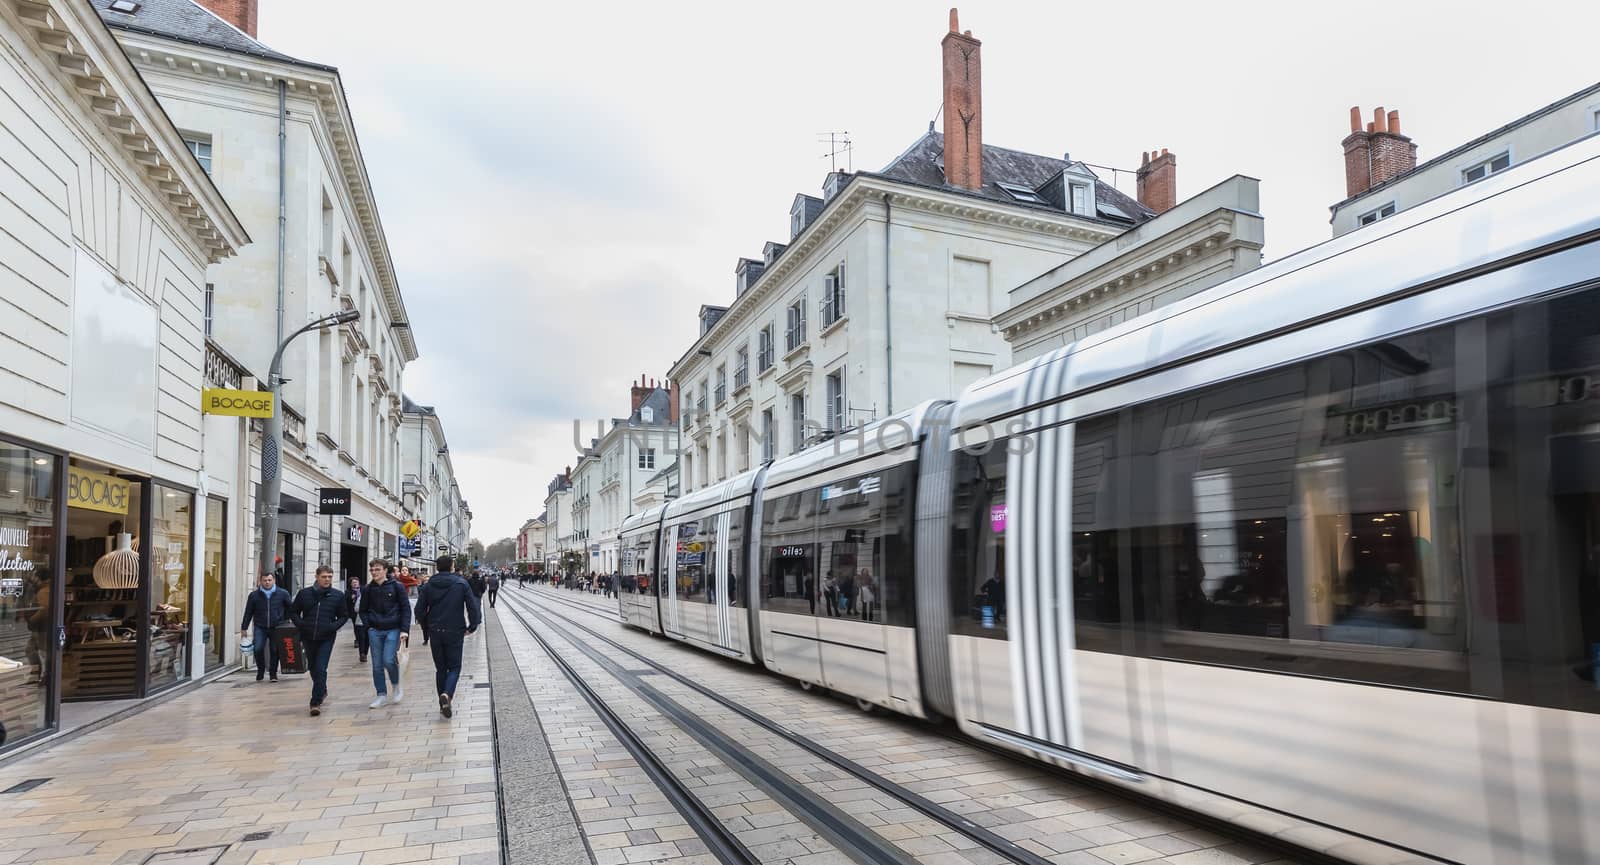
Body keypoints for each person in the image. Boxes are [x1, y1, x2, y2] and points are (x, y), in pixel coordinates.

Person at [415, 554, 481, 718]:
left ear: (437, 568)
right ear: (452, 566)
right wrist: (472, 626)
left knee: (441, 669)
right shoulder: (461, 583)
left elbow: (419, 610)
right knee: (455, 667)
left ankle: (442, 701)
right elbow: (472, 606)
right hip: (455, 630)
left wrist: (426, 624)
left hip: (435, 631)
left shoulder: (429, 585)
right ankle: (447, 695)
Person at [291, 565, 349, 716]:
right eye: (324, 576)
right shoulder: (304, 594)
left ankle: (315, 702)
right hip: (308, 636)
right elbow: (293, 612)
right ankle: (322, 689)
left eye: (330, 576)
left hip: (326, 637)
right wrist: (301, 625)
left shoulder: (337, 595)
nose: (327, 579)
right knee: (312, 667)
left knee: (321, 668)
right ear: (316, 577)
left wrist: (332, 627)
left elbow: (344, 615)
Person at [360, 557, 411, 708]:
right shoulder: (368, 589)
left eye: (377, 569)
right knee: (377, 665)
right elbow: (363, 610)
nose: (374, 572)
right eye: (372, 570)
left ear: (385, 571)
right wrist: (368, 625)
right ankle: (381, 695)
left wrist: (404, 630)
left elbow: (405, 608)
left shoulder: (397, 586)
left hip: (393, 629)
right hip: (375, 630)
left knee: (388, 660)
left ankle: (396, 685)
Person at [239, 572, 292, 682]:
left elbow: (291, 608)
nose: (267, 582)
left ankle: (273, 673)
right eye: (265, 580)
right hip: (260, 626)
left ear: (274, 581)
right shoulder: (254, 596)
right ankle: (261, 669)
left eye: (269, 580)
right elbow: (248, 612)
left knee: (275, 650)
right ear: (260, 581)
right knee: (258, 648)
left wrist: (287, 621)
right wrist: (244, 627)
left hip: (277, 627)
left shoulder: (282, 593)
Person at [346, 573, 369, 663]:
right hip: (356, 615)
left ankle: (364, 652)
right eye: (353, 582)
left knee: (366, 636)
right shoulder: (349, 592)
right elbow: (348, 603)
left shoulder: (363, 591)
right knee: (360, 633)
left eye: (356, 582)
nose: (355, 584)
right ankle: (362, 652)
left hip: (367, 618)